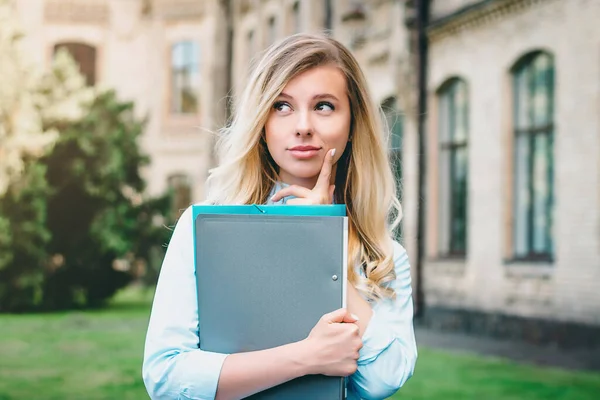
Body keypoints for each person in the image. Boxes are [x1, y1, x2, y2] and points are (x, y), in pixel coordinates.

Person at [142, 32, 417, 400]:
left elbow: (384, 378)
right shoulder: (204, 231)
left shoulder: (383, 256)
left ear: (352, 124)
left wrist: (318, 243)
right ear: (262, 123)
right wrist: (305, 358)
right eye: (282, 106)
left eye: (323, 106)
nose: (303, 125)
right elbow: (166, 376)